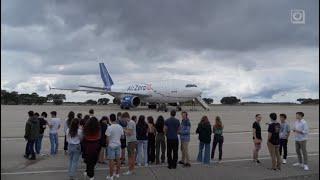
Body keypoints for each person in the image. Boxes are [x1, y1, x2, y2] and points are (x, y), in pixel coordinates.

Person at [106, 114, 124, 180]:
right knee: (118, 160)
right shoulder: (120, 127)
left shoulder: (109, 127)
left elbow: (107, 138)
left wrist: (108, 144)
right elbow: (122, 137)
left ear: (110, 119)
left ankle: (111, 176)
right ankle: (117, 174)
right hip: (118, 145)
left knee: (111, 161)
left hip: (111, 145)